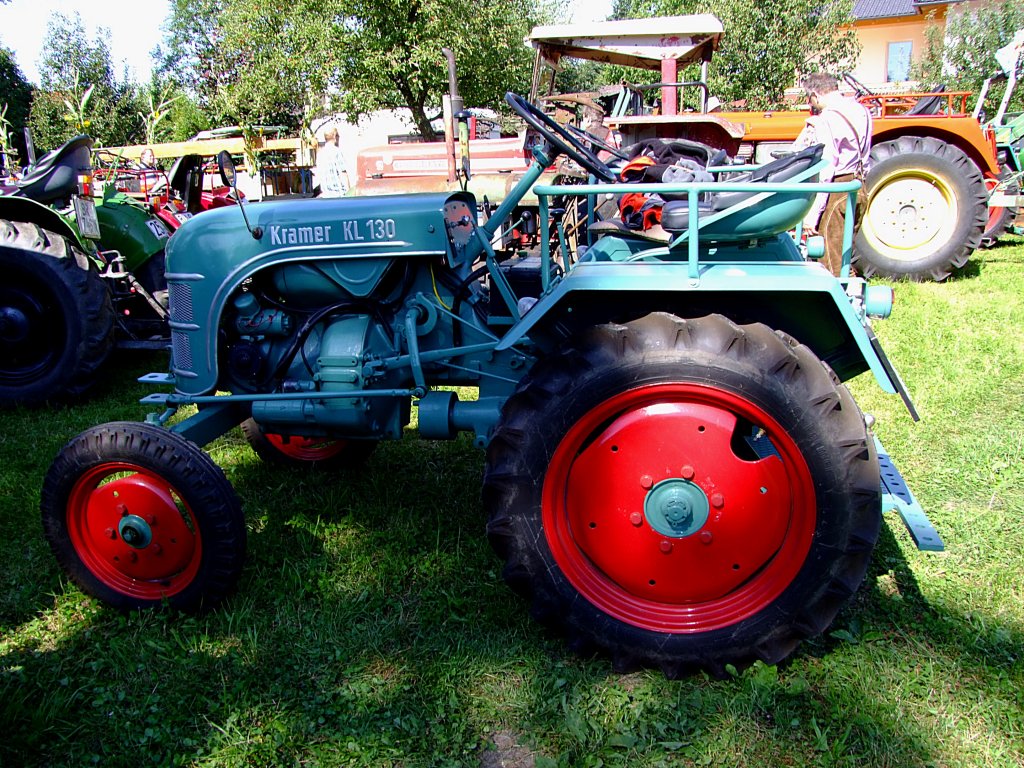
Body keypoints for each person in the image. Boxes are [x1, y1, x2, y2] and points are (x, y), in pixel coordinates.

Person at [792, 73, 872, 276]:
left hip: (838, 188)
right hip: (859, 184)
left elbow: (827, 168)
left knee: (829, 258)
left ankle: (841, 300)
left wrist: (811, 217)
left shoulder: (827, 118)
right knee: (844, 250)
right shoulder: (862, 110)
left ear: (816, 96)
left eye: (809, 99)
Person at [315, 125, 350, 197]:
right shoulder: (336, 152)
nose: (339, 138)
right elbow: (343, 173)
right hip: (338, 194)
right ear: (334, 136)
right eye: (338, 136)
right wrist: (349, 194)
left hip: (326, 195)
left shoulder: (320, 154)